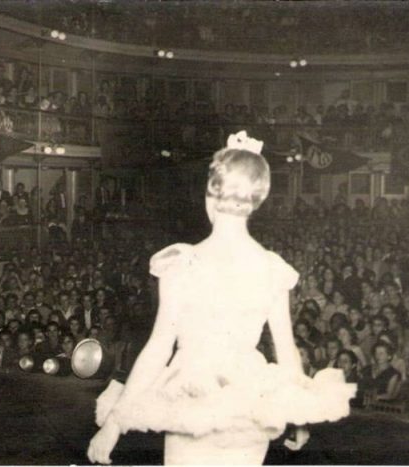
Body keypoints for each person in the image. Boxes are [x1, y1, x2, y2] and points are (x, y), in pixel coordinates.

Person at [87, 132, 356, 465]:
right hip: (248, 403)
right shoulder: (272, 269)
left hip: (190, 398)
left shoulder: (183, 263)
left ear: (210, 197)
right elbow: (287, 351)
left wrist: (115, 422)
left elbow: (159, 347)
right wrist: (298, 415)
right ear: (257, 200)